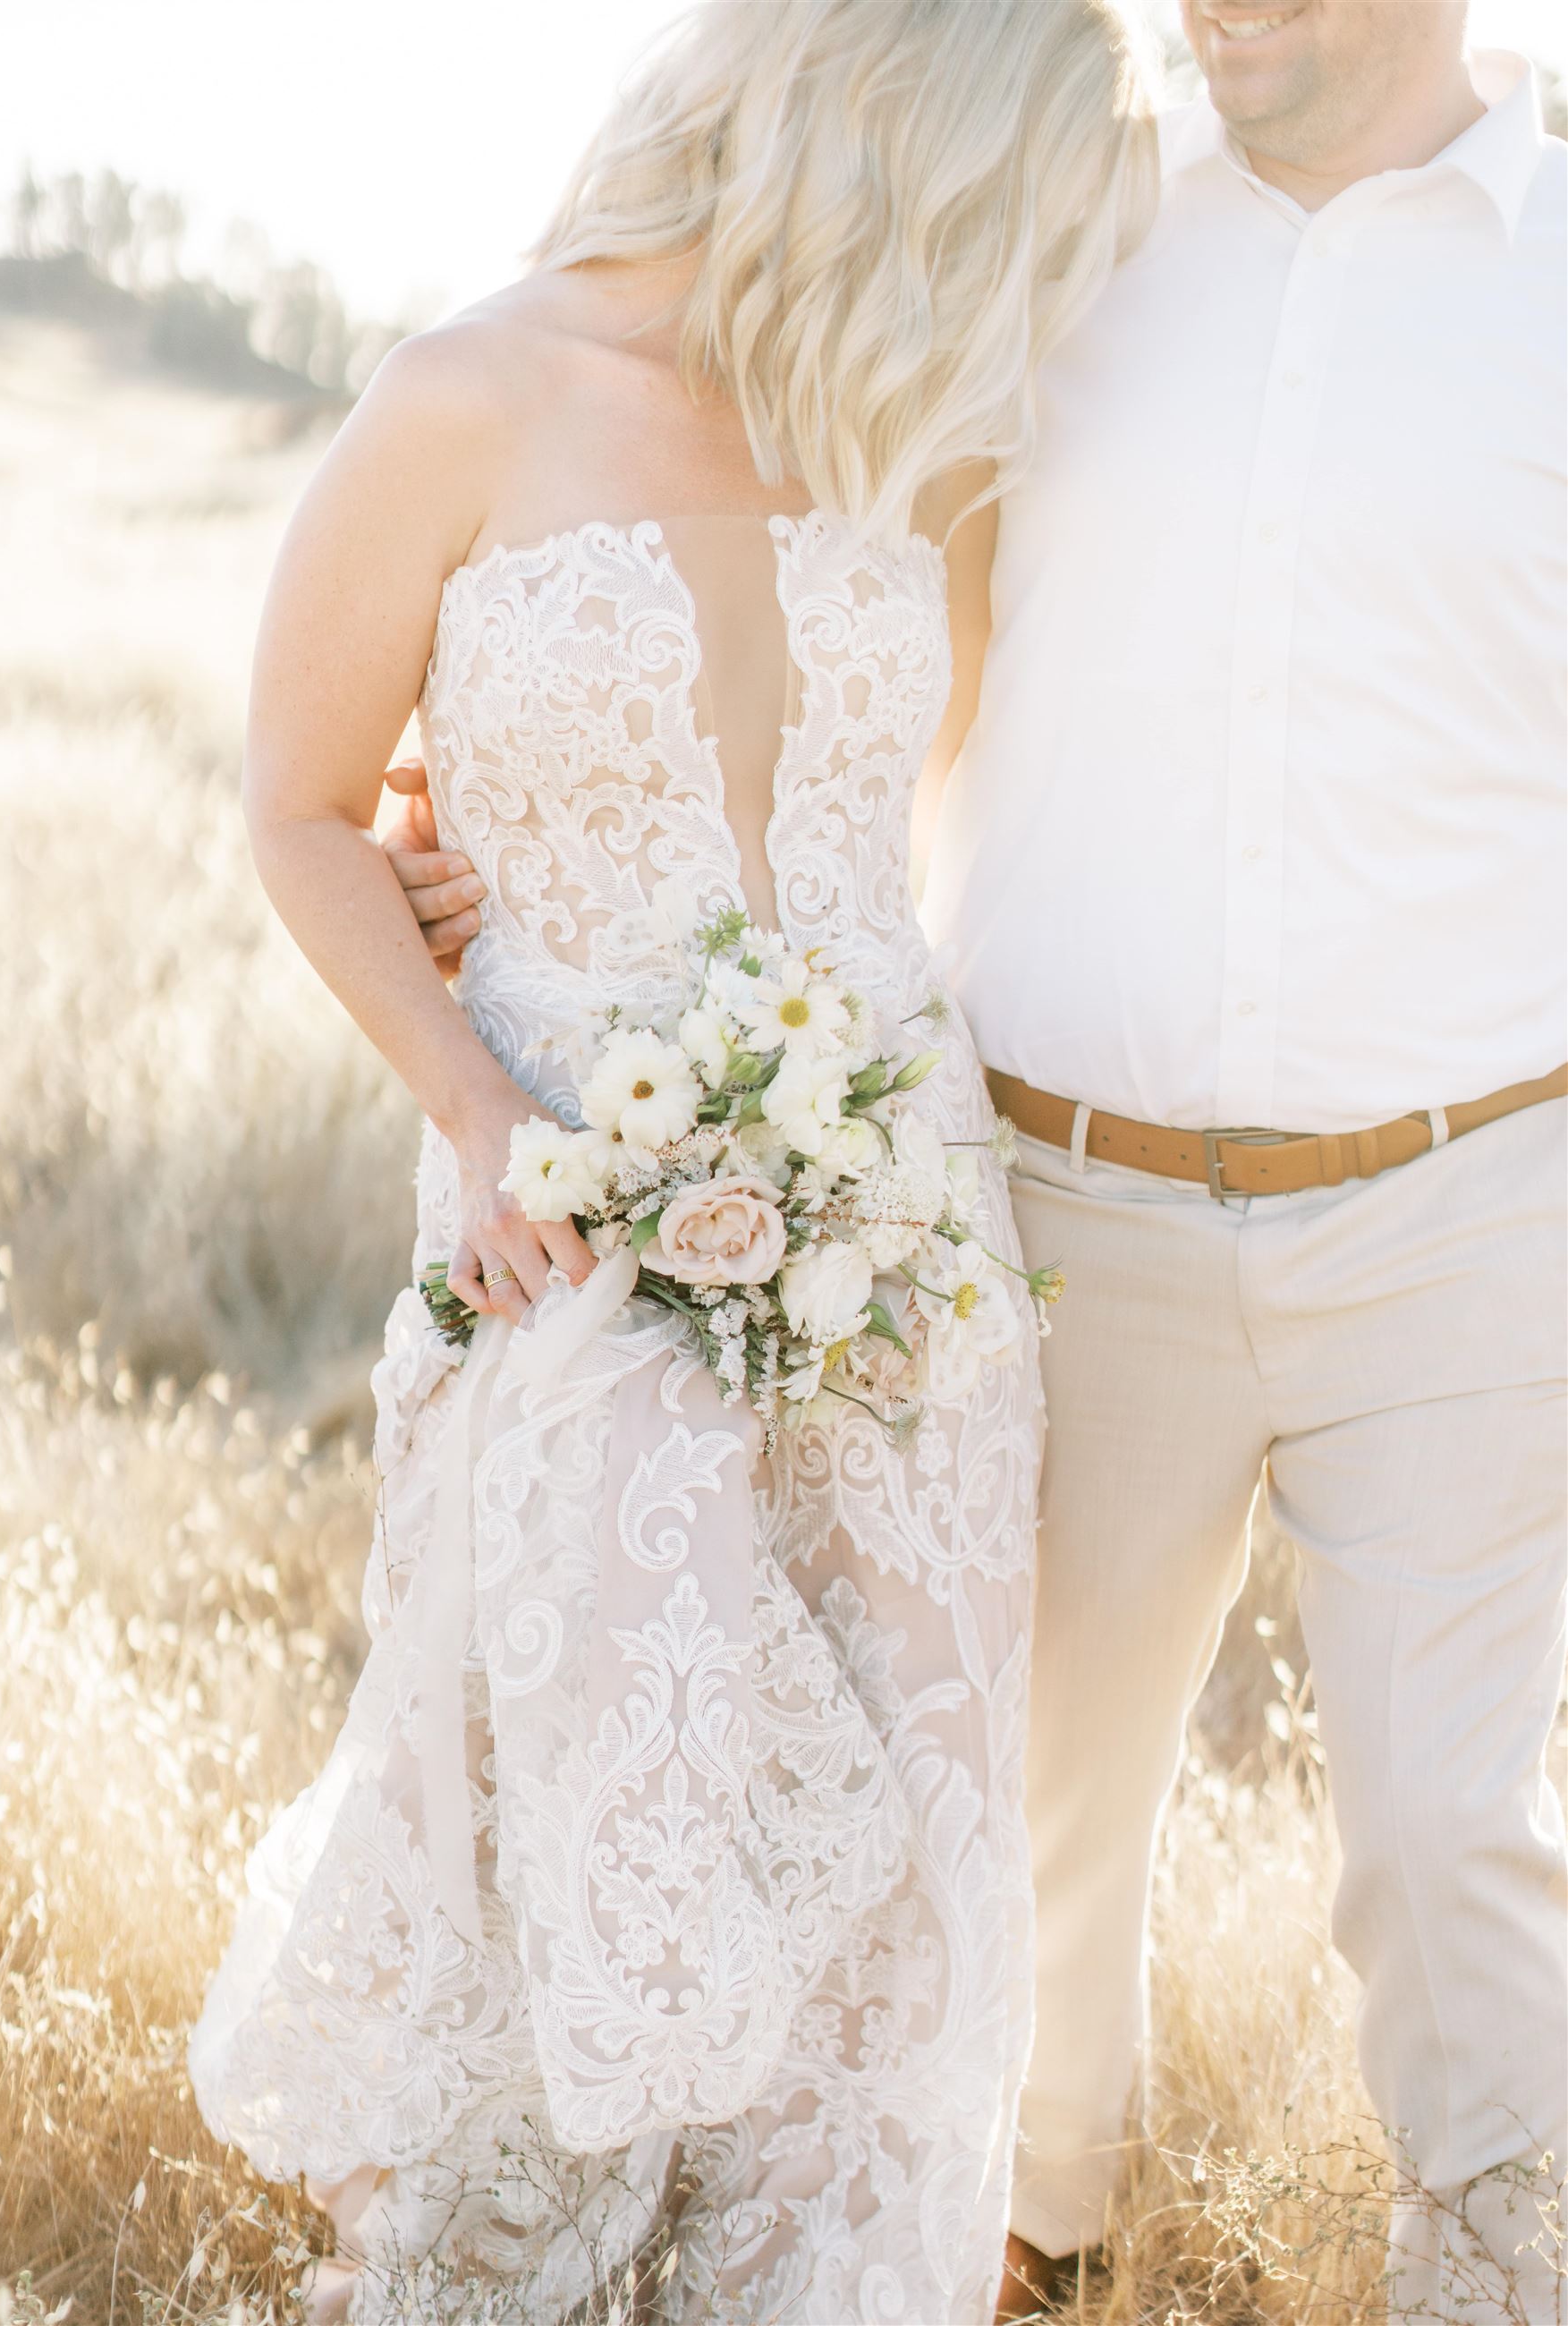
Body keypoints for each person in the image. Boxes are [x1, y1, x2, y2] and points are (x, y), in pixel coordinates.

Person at [387, 4, 1568, 2319]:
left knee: (1450, 1838)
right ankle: (1036, 2239)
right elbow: (802, 582)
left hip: (1466, 1208)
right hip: (1060, 1203)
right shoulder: (1072, 236)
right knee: (1017, 1820)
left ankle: (1505, 2261)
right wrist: (515, 828)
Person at [187, 5, 1157, 2320]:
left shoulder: (919, 440)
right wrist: (482, 1094)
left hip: (896, 1217)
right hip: (568, 1212)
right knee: (583, 1796)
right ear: (879, 131)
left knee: (910, 1820)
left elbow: (937, 820)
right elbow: (303, 811)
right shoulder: (467, 394)